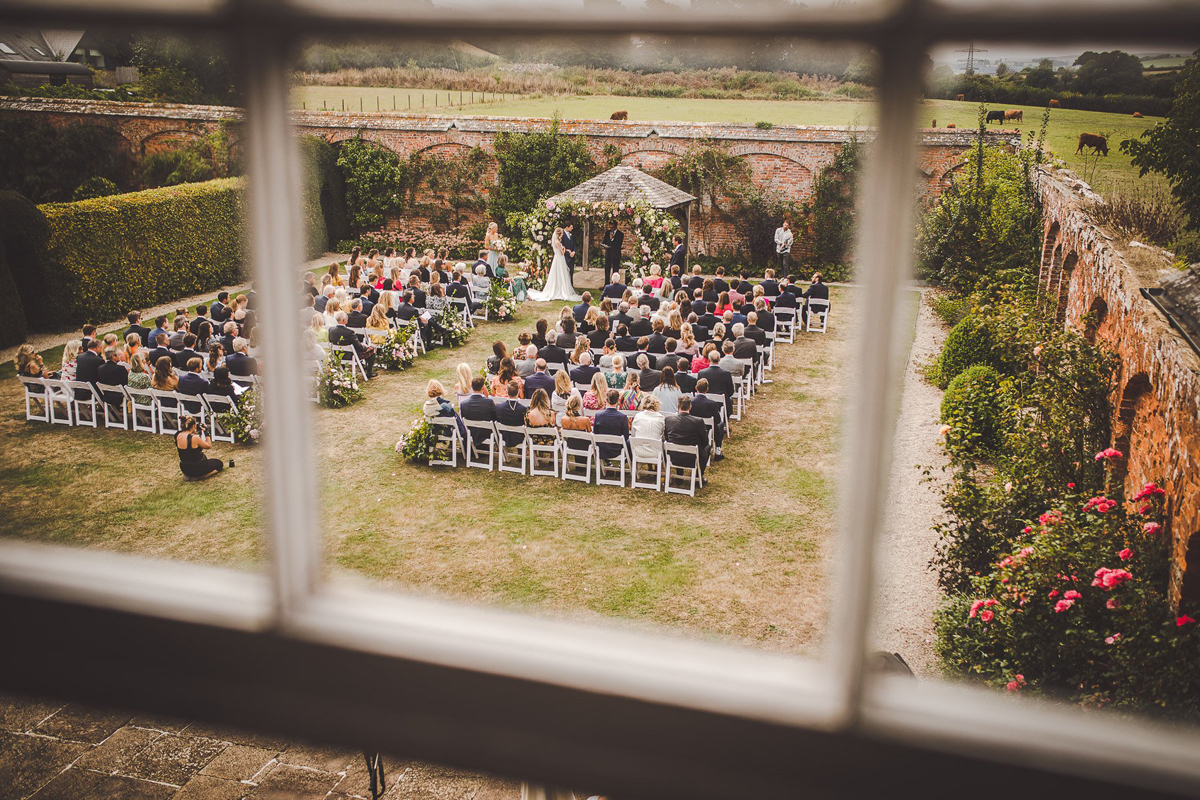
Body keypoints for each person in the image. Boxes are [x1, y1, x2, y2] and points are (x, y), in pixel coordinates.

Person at [526, 227, 580, 302]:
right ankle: (560, 290)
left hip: (558, 259)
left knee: (559, 274)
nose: (562, 235)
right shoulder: (557, 242)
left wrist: (564, 248)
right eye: (561, 234)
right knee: (560, 273)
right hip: (559, 259)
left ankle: (560, 288)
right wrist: (565, 249)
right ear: (559, 234)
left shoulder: (556, 241)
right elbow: (562, 252)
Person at [663, 396, 710, 476]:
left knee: (676, 443)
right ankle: (698, 476)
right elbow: (705, 441)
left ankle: (679, 475)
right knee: (708, 447)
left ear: (678, 406)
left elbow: (666, 438)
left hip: (673, 455)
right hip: (692, 457)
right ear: (690, 407)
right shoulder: (698, 421)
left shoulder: (668, 420)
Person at [176, 415, 228, 480]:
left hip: (185, 468)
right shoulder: (194, 438)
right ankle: (201, 476)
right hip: (199, 468)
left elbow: (188, 450)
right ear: (193, 426)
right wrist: (206, 433)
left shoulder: (178, 435)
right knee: (219, 464)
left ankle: (189, 476)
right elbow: (209, 445)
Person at [592, 389, 631, 461]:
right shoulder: (622, 417)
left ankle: (608, 463)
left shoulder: (598, 415)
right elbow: (626, 437)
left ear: (606, 400)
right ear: (618, 400)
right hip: (618, 450)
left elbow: (595, 433)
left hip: (602, 449)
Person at [630, 394, 666, 460]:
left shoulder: (638, 416)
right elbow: (663, 436)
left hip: (638, 451)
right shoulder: (661, 418)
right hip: (655, 452)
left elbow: (633, 434)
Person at [495, 380, 528, 447]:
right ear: (518, 392)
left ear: (507, 391)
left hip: (504, 437)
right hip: (519, 438)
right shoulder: (524, 409)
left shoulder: (499, 407)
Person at [600, 219, 623, 286]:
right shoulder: (607, 233)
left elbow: (618, 245)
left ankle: (615, 284)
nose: (611, 229)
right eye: (610, 227)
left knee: (615, 270)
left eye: (612, 227)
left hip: (616, 254)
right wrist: (604, 245)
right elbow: (604, 241)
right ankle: (606, 284)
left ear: (615, 226)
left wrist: (612, 239)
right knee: (607, 269)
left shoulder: (620, 234)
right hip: (608, 254)